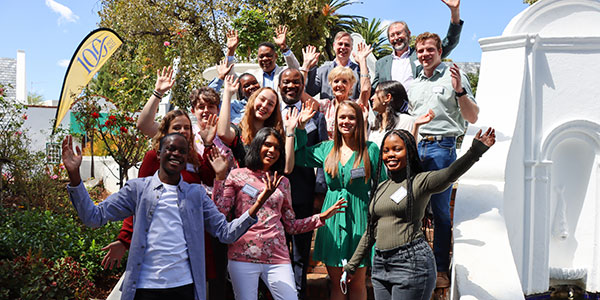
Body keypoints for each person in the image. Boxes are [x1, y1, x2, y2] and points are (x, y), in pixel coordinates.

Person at [62, 133, 267, 300]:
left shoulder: (196, 194)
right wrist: (74, 176)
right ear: (158, 154)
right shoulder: (138, 189)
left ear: (186, 158)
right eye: (170, 148)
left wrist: (255, 207)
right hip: (144, 288)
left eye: (182, 151)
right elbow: (93, 217)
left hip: (184, 288)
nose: (176, 154)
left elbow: (225, 233)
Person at [343, 128, 496, 300]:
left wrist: (474, 152)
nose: (390, 154)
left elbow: (449, 174)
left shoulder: (419, 182)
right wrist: (351, 265)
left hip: (410, 264)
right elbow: (371, 231)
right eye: (386, 150)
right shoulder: (381, 188)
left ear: (409, 152)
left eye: (397, 149)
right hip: (380, 266)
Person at [213, 127, 347, 300]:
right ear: (257, 146)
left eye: (277, 147)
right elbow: (220, 213)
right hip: (242, 255)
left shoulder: (282, 182)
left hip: (277, 256)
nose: (272, 151)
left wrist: (320, 218)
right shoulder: (237, 176)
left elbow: (290, 225)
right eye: (267, 145)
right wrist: (219, 177)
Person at [291, 100, 384, 300]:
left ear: (359, 121)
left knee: (358, 282)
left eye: (351, 117)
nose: (346, 121)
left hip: (360, 218)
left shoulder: (371, 149)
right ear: (335, 120)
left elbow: (383, 185)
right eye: (342, 117)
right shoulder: (326, 149)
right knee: (336, 283)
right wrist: (300, 128)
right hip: (331, 219)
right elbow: (298, 156)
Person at [407, 32, 479, 288]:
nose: (424, 54)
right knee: (410, 207)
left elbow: (472, 117)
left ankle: (439, 269)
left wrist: (459, 91)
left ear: (440, 52)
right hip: (415, 148)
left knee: (440, 211)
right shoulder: (413, 83)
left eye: (429, 50)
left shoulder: (454, 78)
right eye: (421, 50)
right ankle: (411, 265)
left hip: (441, 149)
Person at [278, 68, 328, 299]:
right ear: (279, 86)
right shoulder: (271, 114)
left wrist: (319, 191)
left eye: (296, 82)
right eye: (286, 82)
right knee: (277, 254)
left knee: (299, 255)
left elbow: (323, 155)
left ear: (303, 85)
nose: (291, 86)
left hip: (303, 194)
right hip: (273, 195)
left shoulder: (316, 116)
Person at [372, 0, 463, 91]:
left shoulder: (423, 55)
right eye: (392, 35)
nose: (396, 38)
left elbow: (450, 42)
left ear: (408, 34)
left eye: (399, 33)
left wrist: (454, 11)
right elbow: (373, 91)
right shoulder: (381, 64)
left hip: (419, 104)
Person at [301, 43, 372, 138]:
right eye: (336, 81)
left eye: (344, 81)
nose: (339, 85)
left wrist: (362, 61)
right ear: (331, 84)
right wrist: (306, 65)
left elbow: (365, 90)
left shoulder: (356, 105)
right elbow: (300, 93)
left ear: (351, 86)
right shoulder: (324, 106)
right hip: (328, 151)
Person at [217, 75, 284, 168]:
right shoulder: (238, 130)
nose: (264, 105)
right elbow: (223, 133)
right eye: (262, 99)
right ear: (253, 100)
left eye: (270, 104)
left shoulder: (275, 134)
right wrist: (227, 94)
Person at [368, 80, 435, 146]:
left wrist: (416, 126)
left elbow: (409, 150)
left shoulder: (405, 121)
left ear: (388, 97)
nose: (372, 98)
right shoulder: (374, 123)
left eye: (376, 93)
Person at [305, 31, 361, 100]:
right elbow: (310, 91)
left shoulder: (358, 70)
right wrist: (310, 68)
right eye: (340, 44)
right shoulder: (323, 70)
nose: (343, 47)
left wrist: (363, 63)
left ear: (351, 48)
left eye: (347, 45)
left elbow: (365, 92)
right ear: (334, 46)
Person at [248, 25, 301, 90]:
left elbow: (295, 69)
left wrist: (284, 47)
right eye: (261, 56)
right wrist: (231, 51)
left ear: (276, 56)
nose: (264, 59)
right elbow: (233, 79)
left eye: (268, 55)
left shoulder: (284, 72)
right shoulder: (252, 75)